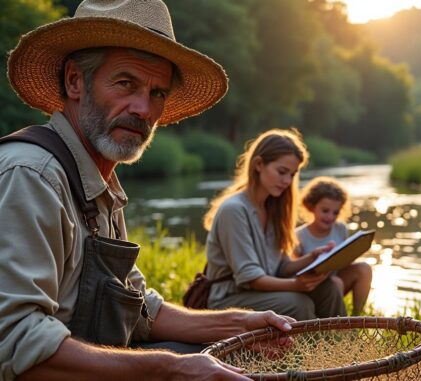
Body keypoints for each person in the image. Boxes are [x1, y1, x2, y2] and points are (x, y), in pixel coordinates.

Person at [0, 1, 294, 380]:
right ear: (75, 81)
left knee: (215, 359)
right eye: (126, 83)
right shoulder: (32, 175)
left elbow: (140, 308)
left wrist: (240, 324)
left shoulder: (100, 182)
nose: (143, 108)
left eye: (157, 93)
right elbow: (14, 340)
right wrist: (169, 369)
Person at [203, 130, 347, 320]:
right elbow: (250, 277)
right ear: (259, 164)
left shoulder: (272, 207)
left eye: (292, 175)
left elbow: (280, 267)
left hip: (260, 291)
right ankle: (307, 349)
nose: (287, 181)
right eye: (281, 172)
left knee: (329, 288)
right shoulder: (234, 210)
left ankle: (342, 343)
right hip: (228, 297)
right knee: (298, 303)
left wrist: (311, 258)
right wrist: (297, 285)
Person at [295, 177, 373, 315]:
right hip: (313, 287)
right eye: (325, 211)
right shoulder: (299, 235)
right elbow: (295, 271)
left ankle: (357, 319)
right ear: (311, 207)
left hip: (336, 279)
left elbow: (344, 260)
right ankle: (339, 327)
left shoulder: (340, 228)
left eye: (335, 212)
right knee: (335, 282)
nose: (330, 217)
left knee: (364, 269)